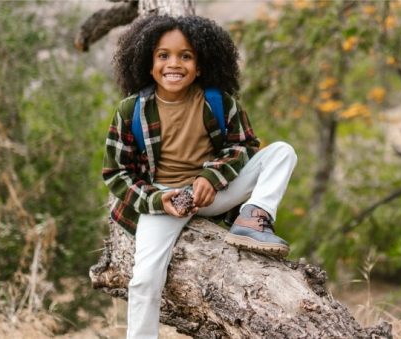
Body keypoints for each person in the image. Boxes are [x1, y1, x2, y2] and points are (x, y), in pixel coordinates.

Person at [101, 14, 298, 339]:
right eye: (163, 55)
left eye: (186, 55)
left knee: (282, 152)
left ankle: (252, 220)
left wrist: (212, 176)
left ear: (201, 65)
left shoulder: (218, 103)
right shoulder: (131, 110)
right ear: (147, 63)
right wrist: (156, 199)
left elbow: (244, 145)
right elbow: (117, 173)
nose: (173, 64)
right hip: (165, 201)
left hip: (213, 193)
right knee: (144, 280)